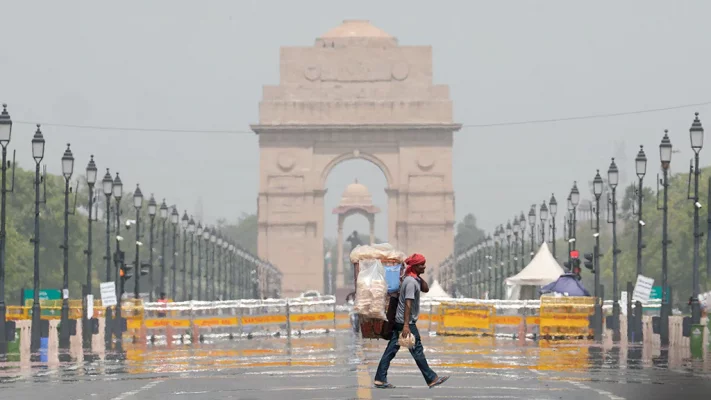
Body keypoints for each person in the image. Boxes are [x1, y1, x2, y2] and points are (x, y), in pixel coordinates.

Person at [373, 253, 449, 389]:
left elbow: (426, 288)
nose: (424, 267)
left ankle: (380, 378)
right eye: (421, 265)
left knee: (391, 350)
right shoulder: (410, 283)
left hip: (401, 321)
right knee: (417, 349)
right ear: (414, 266)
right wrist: (407, 325)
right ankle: (431, 378)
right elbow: (408, 304)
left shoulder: (414, 280)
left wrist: (418, 275)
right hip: (405, 322)